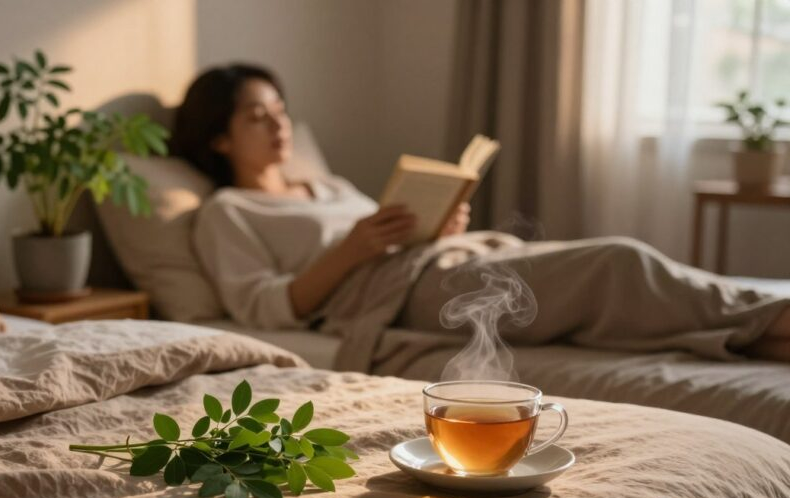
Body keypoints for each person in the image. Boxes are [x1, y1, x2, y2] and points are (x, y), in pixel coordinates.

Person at [170, 63, 790, 363]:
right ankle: (770, 320)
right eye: (257, 115)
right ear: (218, 139)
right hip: (400, 292)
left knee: (610, 290)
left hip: (449, 261)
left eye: (279, 109)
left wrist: (436, 226)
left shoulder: (324, 184)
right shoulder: (228, 211)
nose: (278, 124)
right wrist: (352, 252)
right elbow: (264, 307)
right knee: (619, 262)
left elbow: (391, 234)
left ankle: (762, 330)